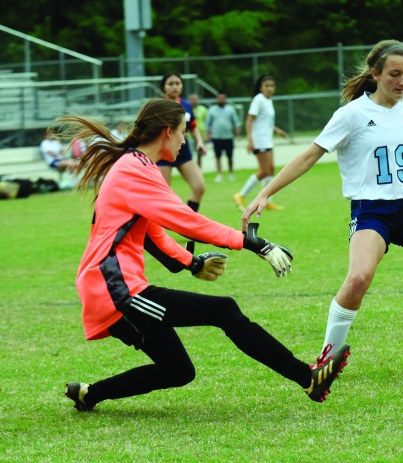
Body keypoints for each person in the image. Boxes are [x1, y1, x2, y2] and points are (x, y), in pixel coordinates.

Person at [62, 99, 346, 412]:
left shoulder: (137, 166)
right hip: (115, 291)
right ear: (168, 132)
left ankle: (88, 394)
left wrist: (192, 263)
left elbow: (154, 236)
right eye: (183, 132)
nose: (185, 140)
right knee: (224, 310)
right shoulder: (135, 169)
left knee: (178, 370)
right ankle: (308, 378)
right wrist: (255, 244)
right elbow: (187, 221)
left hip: (109, 287)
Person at [241, 40, 403, 371]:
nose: (402, 81)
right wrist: (266, 192)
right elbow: (309, 156)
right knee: (358, 280)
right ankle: (326, 360)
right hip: (371, 212)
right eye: (394, 74)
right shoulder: (351, 114)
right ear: (376, 74)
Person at [233, 75, 288, 211]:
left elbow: (265, 122)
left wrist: (277, 130)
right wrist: (250, 140)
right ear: (260, 87)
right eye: (266, 86)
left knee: (270, 170)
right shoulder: (258, 99)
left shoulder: (268, 100)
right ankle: (240, 195)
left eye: (272, 86)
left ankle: (267, 201)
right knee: (264, 171)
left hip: (267, 140)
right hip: (259, 141)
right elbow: (249, 120)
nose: (270, 88)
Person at [158, 73, 207, 212]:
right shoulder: (159, 106)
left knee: (199, 187)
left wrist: (199, 142)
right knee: (162, 195)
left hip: (183, 151)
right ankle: (158, 225)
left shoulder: (186, 104)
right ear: (164, 87)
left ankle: (188, 219)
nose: (174, 87)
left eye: (177, 83)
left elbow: (193, 126)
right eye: (170, 84)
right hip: (163, 153)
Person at [206, 92, 241, 183]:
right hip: (216, 137)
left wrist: (238, 134)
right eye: (219, 98)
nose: (221, 100)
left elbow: (236, 122)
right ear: (216, 99)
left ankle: (230, 173)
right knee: (218, 156)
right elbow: (208, 124)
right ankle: (219, 174)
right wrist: (207, 135)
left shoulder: (230, 110)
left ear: (225, 99)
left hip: (228, 137)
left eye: (223, 98)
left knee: (230, 156)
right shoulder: (212, 110)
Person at [188, 93, 209, 169]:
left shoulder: (203, 109)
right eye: (192, 99)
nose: (193, 101)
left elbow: (207, 123)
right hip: (189, 136)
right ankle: (191, 170)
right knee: (190, 155)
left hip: (201, 135)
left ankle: (199, 170)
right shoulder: (187, 109)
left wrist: (207, 134)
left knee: (200, 155)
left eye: (195, 99)